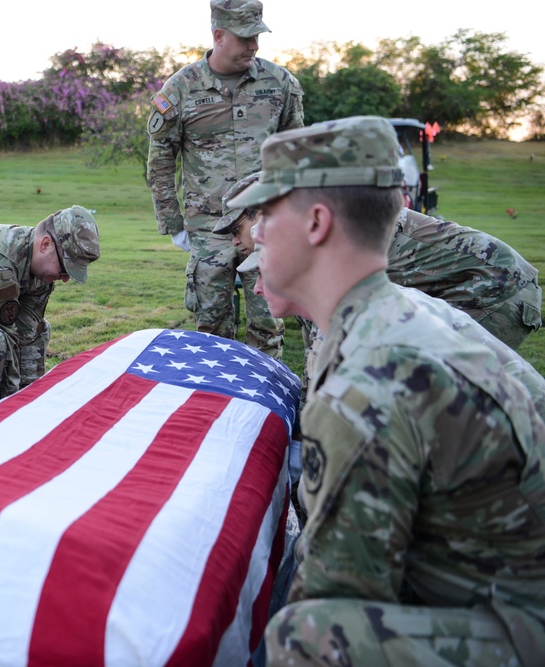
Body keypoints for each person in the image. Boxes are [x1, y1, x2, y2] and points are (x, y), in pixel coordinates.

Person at [229, 115, 545, 665]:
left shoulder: (365, 382)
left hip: (525, 620)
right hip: (507, 583)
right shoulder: (408, 309)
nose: (255, 233)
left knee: (306, 635)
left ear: (316, 224)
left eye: (266, 213)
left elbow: (338, 591)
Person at [145, 0, 303, 359]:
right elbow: (161, 161)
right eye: (245, 36)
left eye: (257, 36)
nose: (254, 45)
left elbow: (296, 153)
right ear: (218, 35)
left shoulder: (279, 83)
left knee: (268, 323)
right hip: (208, 229)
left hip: (266, 226)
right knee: (211, 327)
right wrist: (173, 224)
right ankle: (213, 406)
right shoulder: (181, 89)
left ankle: (266, 405)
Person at [0, 206, 100, 416]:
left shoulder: (40, 265)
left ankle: (29, 404)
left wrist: (30, 401)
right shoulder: (0, 269)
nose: (65, 278)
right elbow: (6, 337)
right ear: (46, 244)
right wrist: (12, 407)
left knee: (41, 329)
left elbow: (28, 331)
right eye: (65, 267)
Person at [387, 207, 541, 350]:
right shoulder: (377, 214)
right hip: (498, 284)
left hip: (500, 290)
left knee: (421, 358)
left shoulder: (375, 224)